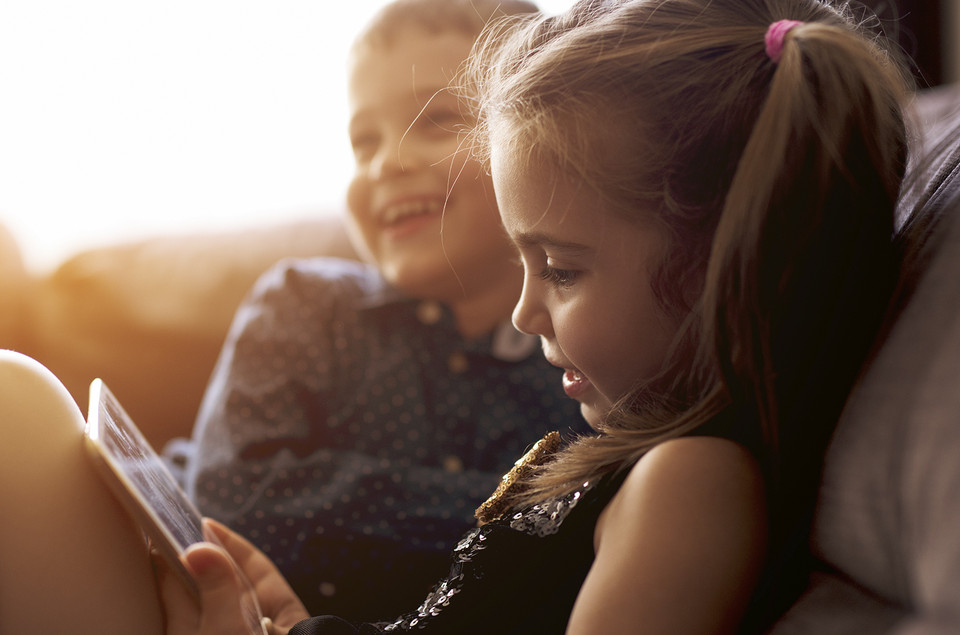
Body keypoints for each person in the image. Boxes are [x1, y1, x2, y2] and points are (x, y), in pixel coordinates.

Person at [0, 0, 912, 633]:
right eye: (361, 138)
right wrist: (300, 623)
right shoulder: (633, 455)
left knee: (17, 411)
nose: (526, 306)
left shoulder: (689, 480)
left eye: (560, 268)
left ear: (726, 270)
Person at [177, 0, 586, 623]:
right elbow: (234, 499)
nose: (386, 162)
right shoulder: (303, 303)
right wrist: (505, 511)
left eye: (438, 120)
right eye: (362, 140)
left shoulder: (582, 361)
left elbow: (576, 547)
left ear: (540, 144)